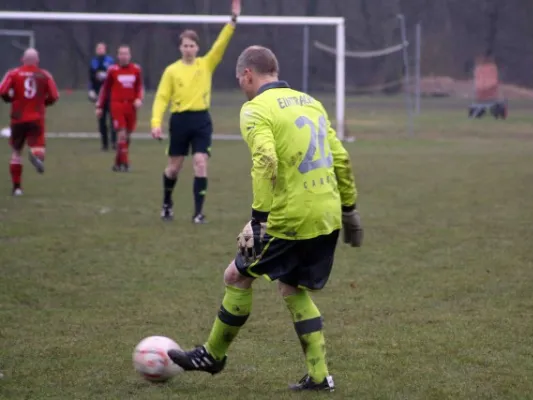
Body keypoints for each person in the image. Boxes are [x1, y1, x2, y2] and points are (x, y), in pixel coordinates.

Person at [167, 45, 364, 392]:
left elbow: (266, 160)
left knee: (236, 276)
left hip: (290, 217)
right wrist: (350, 209)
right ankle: (319, 376)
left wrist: (258, 220)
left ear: (248, 75)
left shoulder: (255, 109)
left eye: (240, 80)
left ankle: (212, 355)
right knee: (291, 285)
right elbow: (342, 158)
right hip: (327, 213)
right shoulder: (310, 102)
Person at [150, 0, 240, 224]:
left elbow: (221, 44)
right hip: (179, 121)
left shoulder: (205, 64)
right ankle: (167, 203)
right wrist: (155, 122)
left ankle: (198, 213)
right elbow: (162, 97)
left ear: (197, 48)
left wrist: (233, 21)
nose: (188, 49)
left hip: (201, 120)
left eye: (192, 45)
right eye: (185, 45)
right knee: (174, 168)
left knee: (200, 161)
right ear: (180, 47)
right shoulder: (172, 71)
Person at [0, 48, 59, 196]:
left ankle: (17, 188)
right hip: (36, 117)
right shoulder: (44, 75)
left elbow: (2, 90)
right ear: (37, 61)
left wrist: (9, 98)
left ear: (22, 60)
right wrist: (44, 103)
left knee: (16, 152)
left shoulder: (13, 73)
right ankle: (36, 155)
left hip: (18, 118)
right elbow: (54, 95)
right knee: (38, 146)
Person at [96, 45, 143, 172]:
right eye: (121, 54)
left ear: (130, 55)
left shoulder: (136, 70)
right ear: (118, 56)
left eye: (126, 54)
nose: (123, 56)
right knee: (121, 134)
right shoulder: (113, 70)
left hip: (131, 106)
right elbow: (105, 89)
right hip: (117, 105)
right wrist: (99, 106)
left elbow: (139, 87)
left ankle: (117, 163)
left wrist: (139, 99)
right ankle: (125, 163)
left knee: (127, 136)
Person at [88, 42, 116, 151]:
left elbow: (114, 78)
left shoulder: (110, 61)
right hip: (99, 96)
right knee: (101, 121)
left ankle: (114, 143)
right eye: (98, 48)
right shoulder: (93, 62)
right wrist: (91, 90)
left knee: (113, 120)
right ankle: (104, 145)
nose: (100, 50)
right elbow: (91, 78)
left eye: (102, 48)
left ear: (105, 49)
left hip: (110, 95)